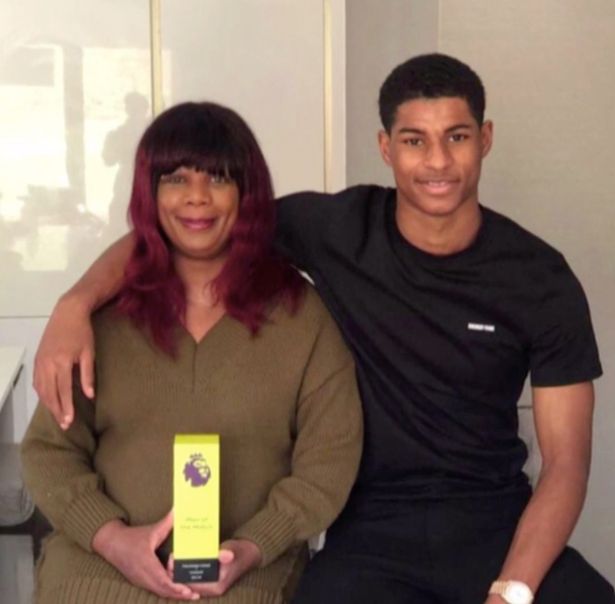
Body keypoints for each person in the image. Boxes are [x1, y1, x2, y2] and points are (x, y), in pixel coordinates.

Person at [32, 54, 614, 604]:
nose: (437, 162)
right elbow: (188, 223)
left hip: (494, 518)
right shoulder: (335, 230)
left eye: (456, 137)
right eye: (415, 140)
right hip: (372, 530)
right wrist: (75, 303)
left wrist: (511, 591)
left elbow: (566, 465)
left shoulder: (540, 278)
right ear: (386, 148)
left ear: (485, 138)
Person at [21, 101, 363, 604]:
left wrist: (251, 547)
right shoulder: (104, 317)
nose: (197, 198)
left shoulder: (301, 316)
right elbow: (50, 451)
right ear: (149, 193)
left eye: (219, 178)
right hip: (99, 569)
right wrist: (113, 540)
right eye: (176, 178)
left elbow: (329, 461)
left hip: (246, 574)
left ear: (246, 194)